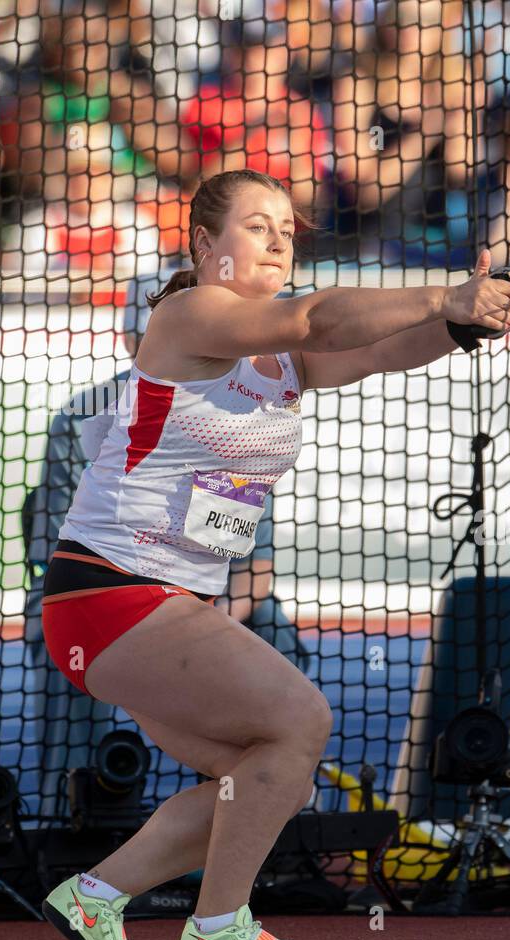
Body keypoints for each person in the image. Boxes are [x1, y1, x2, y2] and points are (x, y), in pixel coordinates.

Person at [39, 167, 510, 940]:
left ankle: (95, 895)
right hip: (110, 592)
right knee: (302, 718)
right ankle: (221, 927)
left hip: (159, 607)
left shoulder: (279, 359)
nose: (278, 239)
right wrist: (449, 292)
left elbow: (384, 350)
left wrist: (471, 321)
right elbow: (321, 317)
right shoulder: (190, 313)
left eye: (287, 228)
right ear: (204, 246)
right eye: (257, 225)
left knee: (269, 777)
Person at [22, 259, 310, 820]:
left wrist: (206, 627)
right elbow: (57, 554)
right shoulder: (82, 417)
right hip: (100, 595)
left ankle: (259, 810)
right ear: (134, 337)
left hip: (205, 604)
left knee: (270, 626)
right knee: (54, 630)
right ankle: (73, 817)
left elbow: (256, 566)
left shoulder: (246, 412)